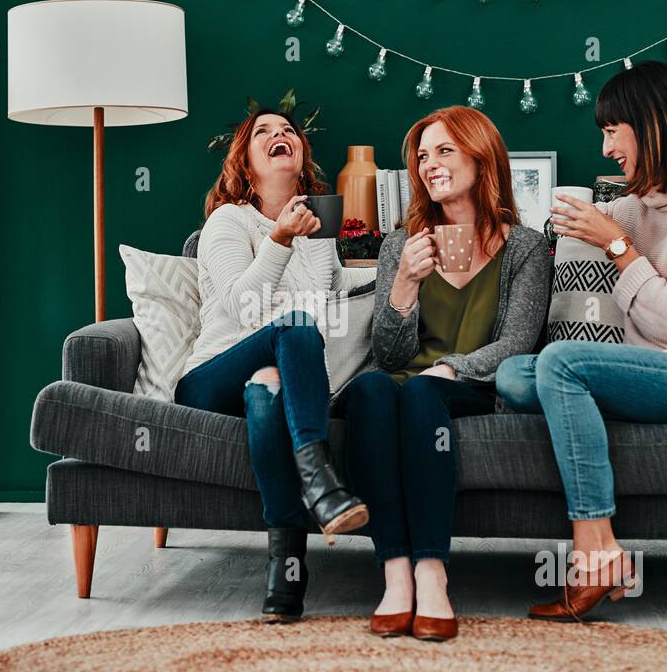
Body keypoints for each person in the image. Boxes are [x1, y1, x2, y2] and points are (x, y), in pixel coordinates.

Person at [495, 60, 667, 622]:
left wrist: (618, 246)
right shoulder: (641, 201)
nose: (604, 149)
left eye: (611, 131)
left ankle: (597, 549)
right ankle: (594, 416)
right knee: (514, 375)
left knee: (562, 364)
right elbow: (568, 231)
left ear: (649, 124)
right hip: (647, 371)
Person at [335, 105, 551, 641]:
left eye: (444, 151)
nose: (430, 164)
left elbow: (517, 344)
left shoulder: (525, 247)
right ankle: (395, 574)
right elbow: (387, 356)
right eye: (423, 156)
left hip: (470, 388)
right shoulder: (398, 245)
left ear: (482, 158)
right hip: (402, 384)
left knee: (422, 396)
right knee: (370, 390)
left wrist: (452, 369)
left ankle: (432, 574)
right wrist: (404, 284)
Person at [175, 108, 375, 623]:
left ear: (302, 156)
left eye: (288, 131)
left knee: (267, 390)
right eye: (263, 132)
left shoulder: (319, 229)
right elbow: (242, 305)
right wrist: (280, 239)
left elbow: (331, 295)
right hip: (211, 377)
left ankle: (286, 568)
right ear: (244, 161)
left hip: (271, 378)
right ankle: (321, 482)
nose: (279, 135)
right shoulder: (229, 220)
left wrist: (392, 273)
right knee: (294, 326)